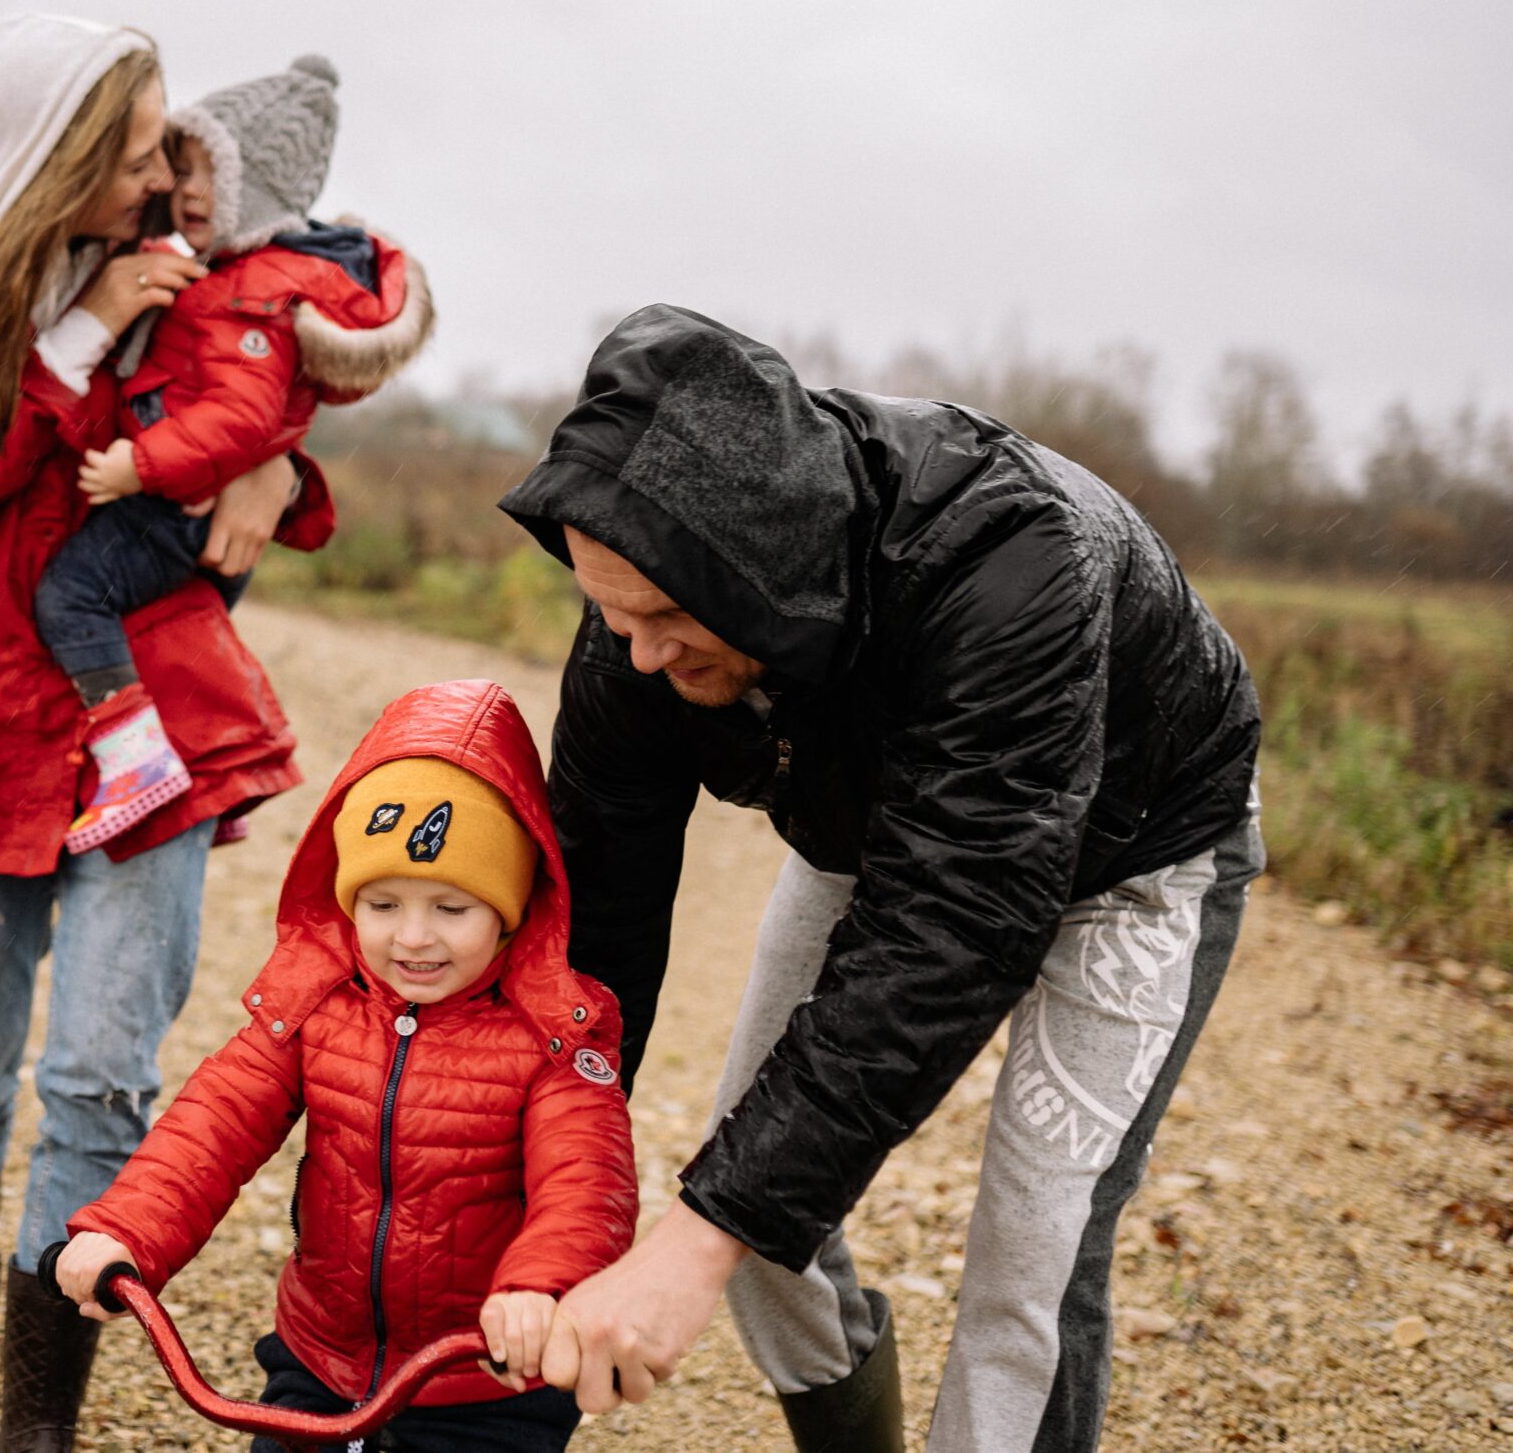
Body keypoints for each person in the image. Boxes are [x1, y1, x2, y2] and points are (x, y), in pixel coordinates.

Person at [496, 307, 1264, 1453]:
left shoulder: (1010, 560)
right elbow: (597, 908)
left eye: (661, 618)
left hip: (1135, 848)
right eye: (611, 616)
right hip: (884, 836)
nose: (638, 655)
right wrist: (547, 1188)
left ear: (757, 569)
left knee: (1027, 1260)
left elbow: (951, 929)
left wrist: (696, 1239)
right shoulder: (638, 618)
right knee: (753, 1205)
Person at [0, 13, 335, 1453]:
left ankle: (42, 1414)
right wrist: (83, 331)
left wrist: (282, 458)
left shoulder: (180, 238)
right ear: (60, 158)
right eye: (141, 143)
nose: (167, 167)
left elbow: (275, 341)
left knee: (102, 1069)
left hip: (143, 720)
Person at [51, 678, 639, 1453]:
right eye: (383, 903)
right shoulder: (318, 1001)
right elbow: (212, 1125)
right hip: (322, 1357)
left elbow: (587, 1185)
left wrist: (539, 1285)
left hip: (484, 1375)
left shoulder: (554, 1033)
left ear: (511, 905)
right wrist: (128, 1228)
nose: (413, 937)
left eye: (451, 907)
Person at [34, 54, 434, 853]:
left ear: (263, 186)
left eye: (210, 172)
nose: (184, 188)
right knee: (166, 629)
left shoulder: (248, 291)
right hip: (191, 497)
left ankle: (137, 764)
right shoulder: (235, 276)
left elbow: (241, 418)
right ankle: (219, 784)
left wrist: (140, 466)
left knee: (71, 597)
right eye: (181, 165)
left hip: (173, 503)